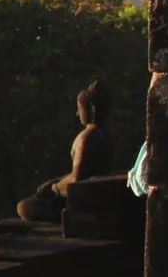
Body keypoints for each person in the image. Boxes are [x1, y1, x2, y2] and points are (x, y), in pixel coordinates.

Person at [18, 80, 117, 223]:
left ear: (90, 110)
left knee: (23, 207)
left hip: (79, 199)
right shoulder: (108, 136)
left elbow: (77, 182)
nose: (77, 114)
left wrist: (55, 187)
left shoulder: (86, 138)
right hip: (97, 196)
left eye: (79, 109)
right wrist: (55, 181)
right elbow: (83, 173)